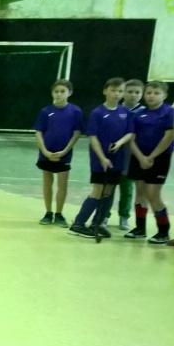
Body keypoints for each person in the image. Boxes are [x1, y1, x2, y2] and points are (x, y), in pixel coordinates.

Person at [67, 78, 133, 239]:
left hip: (117, 157)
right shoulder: (97, 113)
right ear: (105, 91)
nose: (117, 94)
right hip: (99, 159)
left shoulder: (125, 113)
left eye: (120, 91)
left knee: (109, 190)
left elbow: (130, 133)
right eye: (113, 90)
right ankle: (78, 224)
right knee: (97, 190)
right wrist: (102, 158)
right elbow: (93, 137)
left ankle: (97, 224)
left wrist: (120, 143)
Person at [125, 81, 174, 243]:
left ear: (164, 95)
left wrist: (151, 157)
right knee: (140, 192)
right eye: (149, 93)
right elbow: (131, 138)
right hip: (139, 157)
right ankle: (140, 228)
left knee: (153, 193)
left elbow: (169, 136)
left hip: (159, 158)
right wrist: (141, 157)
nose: (151, 96)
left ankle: (163, 231)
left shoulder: (169, 112)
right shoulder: (138, 114)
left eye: (156, 93)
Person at [33, 79, 83, 227]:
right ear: (52, 93)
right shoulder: (46, 111)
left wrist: (65, 151)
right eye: (56, 91)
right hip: (46, 153)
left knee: (62, 184)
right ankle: (48, 212)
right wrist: (45, 151)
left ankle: (59, 214)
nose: (59, 94)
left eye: (62, 91)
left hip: (64, 154)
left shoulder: (75, 111)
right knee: (47, 182)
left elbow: (77, 133)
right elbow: (38, 132)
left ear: (70, 93)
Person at [116, 79, 145, 230]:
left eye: (137, 92)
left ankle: (124, 217)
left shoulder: (145, 112)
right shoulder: (115, 109)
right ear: (123, 93)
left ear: (142, 94)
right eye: (129, 92)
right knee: (108, 189)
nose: (133, 95)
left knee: (127, 190)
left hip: (132, 159)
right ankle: (103, 216)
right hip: (114, 157)